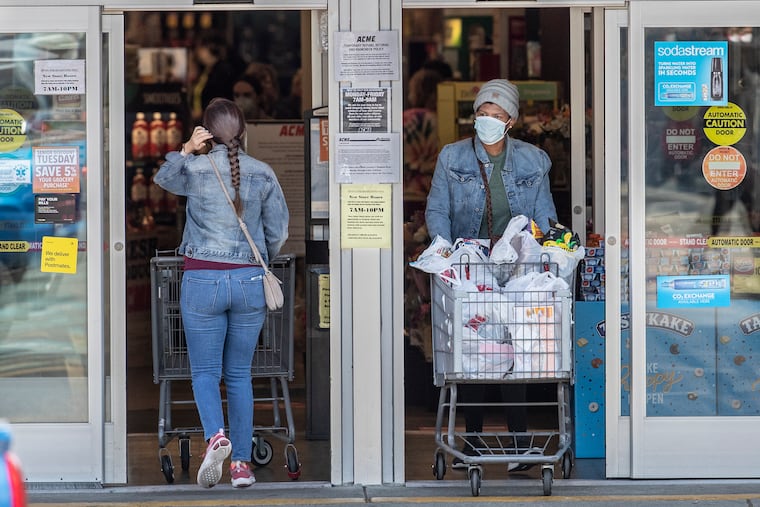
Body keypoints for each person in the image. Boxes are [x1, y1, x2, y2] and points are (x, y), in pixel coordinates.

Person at [155, 98, 289, 488]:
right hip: (249, 283)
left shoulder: (194, 169)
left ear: (207, 133)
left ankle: (216, 436)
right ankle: (242, 467)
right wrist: (257, 259)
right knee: (239, 376)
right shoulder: (263, 173)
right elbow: (278, 232)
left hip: (203, 283)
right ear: (244, 131)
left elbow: (164, 178)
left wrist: (184, 150)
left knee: (205, 373)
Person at [425, 78, 557, 471]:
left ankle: (520, 443)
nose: (487, 121)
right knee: (474, 352)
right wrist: (445, 251)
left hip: (515, 266)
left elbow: (544, 215)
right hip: (469, 265)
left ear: (511, 121)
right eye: (482, 114)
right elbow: (437, 209)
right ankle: (474, 442)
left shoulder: (534, 161)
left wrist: (548, 252)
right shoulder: (452, 157)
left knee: (513, 350)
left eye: (496, 116)